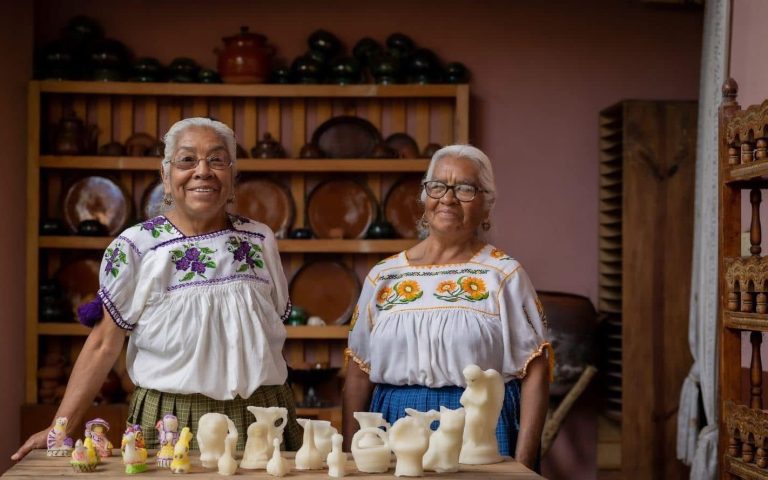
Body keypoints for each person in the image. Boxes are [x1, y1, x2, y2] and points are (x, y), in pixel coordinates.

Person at [13, 117, 301, 460]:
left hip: (262, 417)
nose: (203, 171)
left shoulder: (260, 239)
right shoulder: (135, 247)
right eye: (186, 160)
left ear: (233, 176)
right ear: (166, 177)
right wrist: (60, 426)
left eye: (217, 160)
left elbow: (268, 330)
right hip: (171, 420)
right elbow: (104, 343)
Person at [342, 145, 552, 470]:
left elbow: (536, 370)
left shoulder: (504, 275)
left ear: (487, 205)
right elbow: (358, 373)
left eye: (465, 189)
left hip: (480, 429)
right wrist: (350, 456)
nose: (448, 198)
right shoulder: (384, 276)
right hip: (396, 425)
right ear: (425, 197)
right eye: (437, 186)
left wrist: (525, 464)